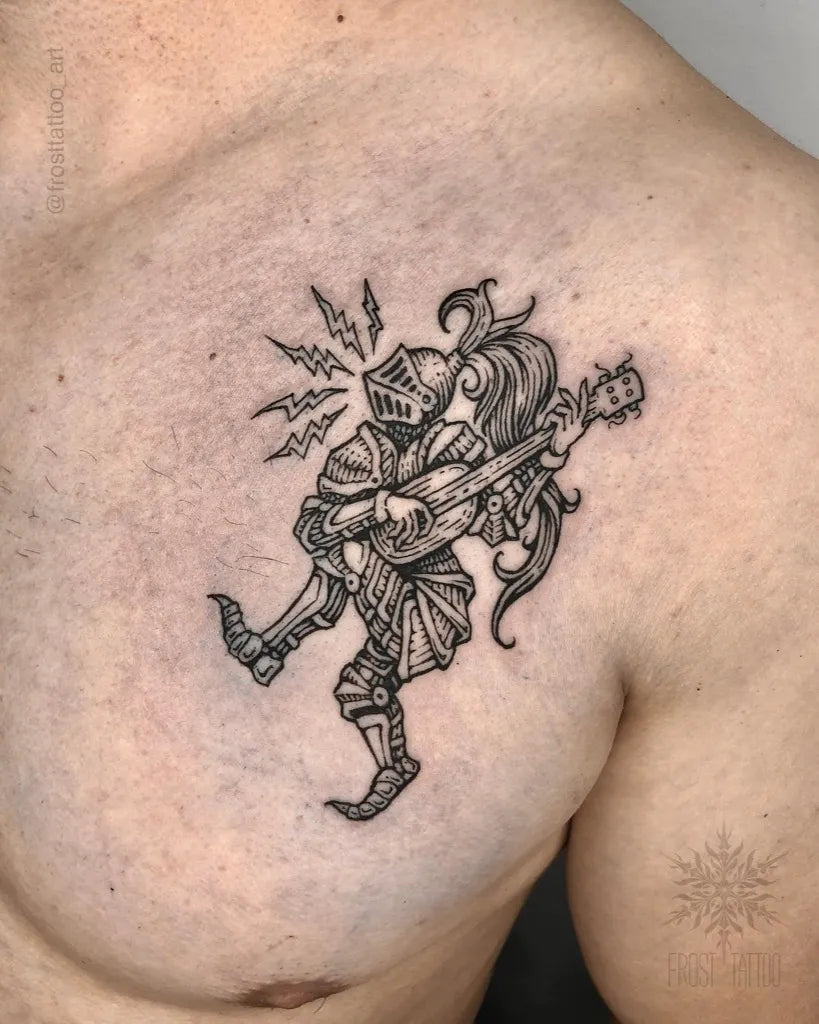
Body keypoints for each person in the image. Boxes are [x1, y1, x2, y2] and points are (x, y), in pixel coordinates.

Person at [0, 1, 816, 1021]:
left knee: (364, 661)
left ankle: (371, 744)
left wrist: (504, 458)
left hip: (417, 579)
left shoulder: (753, 323)